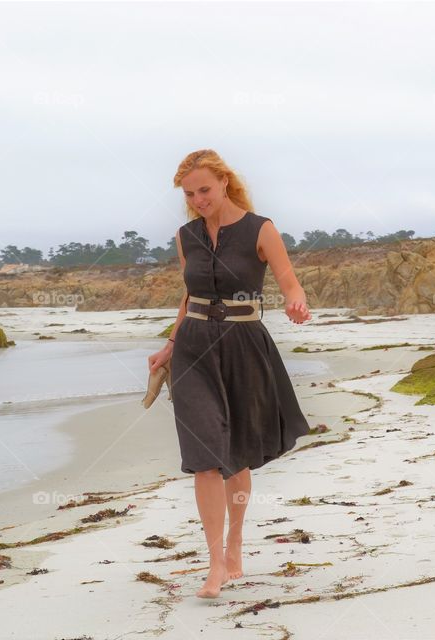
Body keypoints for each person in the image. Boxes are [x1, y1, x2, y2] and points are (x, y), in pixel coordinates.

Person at [147, 149, 312, 599]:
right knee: (204, 455)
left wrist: (296, 302)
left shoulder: (261, 229)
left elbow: (289, 280)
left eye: (204, 190)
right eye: (189, 194)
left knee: (235, 455)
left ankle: (235, 542)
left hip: (243, 347)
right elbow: (190, 296)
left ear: (224, 182)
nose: (198, 200)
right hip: (194, 349)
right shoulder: (186, 236)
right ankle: (215, 562)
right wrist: (170, 344)